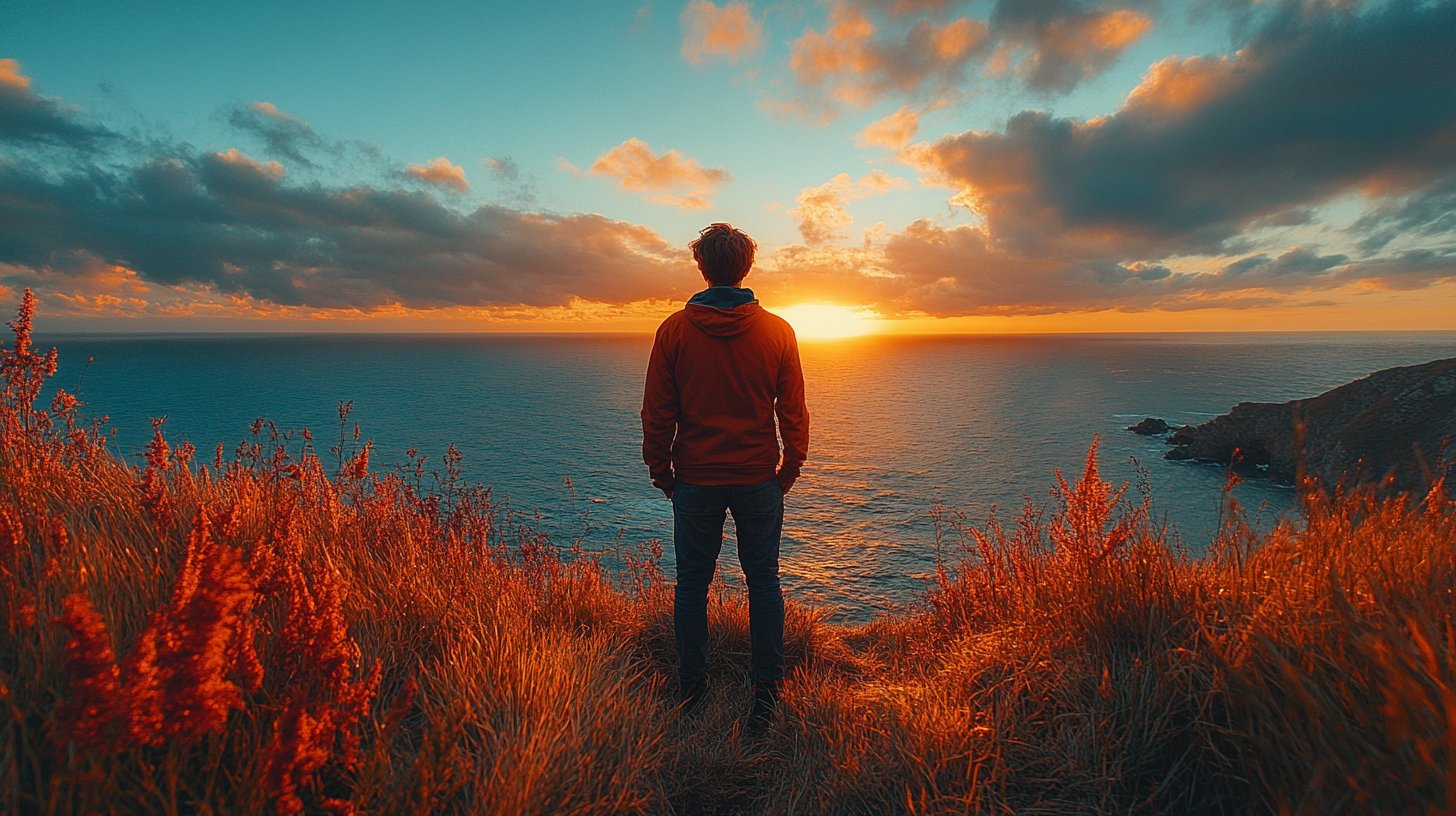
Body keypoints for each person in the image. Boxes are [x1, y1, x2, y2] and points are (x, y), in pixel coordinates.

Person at [641, 222, 809, 725]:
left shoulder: (674, 330)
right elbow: (793, 411)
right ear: (746, 268)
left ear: (702, 267)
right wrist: (788, 469)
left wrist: (663, 473)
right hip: (758, 476)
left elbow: (657, 412)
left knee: (692, 586)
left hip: (696, 478)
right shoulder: (777, 331)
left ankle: (692, 693)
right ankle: (767, 696)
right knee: (764, 582)